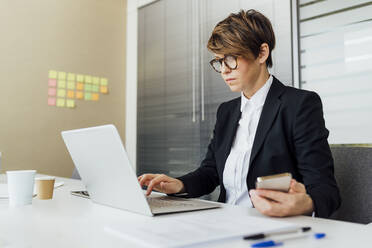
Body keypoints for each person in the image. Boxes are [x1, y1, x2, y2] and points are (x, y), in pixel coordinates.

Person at [138, 9, 341, 218]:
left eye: (231, 58)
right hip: (224, 220)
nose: (224, 69)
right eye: (219, 61)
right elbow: (210, 173)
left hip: (270, 226)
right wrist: (179, 184)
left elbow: (326, 190)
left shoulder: (299, 105)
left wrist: (306, 202)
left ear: (262, 53)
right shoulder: (227, 111)